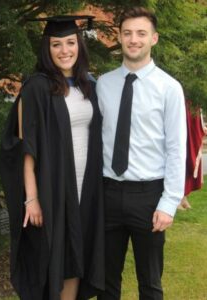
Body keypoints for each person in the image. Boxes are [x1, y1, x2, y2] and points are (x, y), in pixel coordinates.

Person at [0, 15, 104, 300]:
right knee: (52, 256)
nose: (64, 50)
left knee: (74, 256)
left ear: (79, 45)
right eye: (56, 44)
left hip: (86, 187)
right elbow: (26, 148)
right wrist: (31, 198)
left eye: (70, 42)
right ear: (47, 49)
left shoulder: (87, 85)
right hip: (52, 187)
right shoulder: (36, 87)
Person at [96, 7, 187, 300]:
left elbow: (176, 148)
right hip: (107, 193)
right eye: (127, 33)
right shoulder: (103, 84)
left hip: (149, 197)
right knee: (106, 281)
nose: (133, 40)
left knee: (150, 282)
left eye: (141, 33)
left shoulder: (169, 88)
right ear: (119, 37)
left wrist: (169, 202)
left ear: (154, 38)